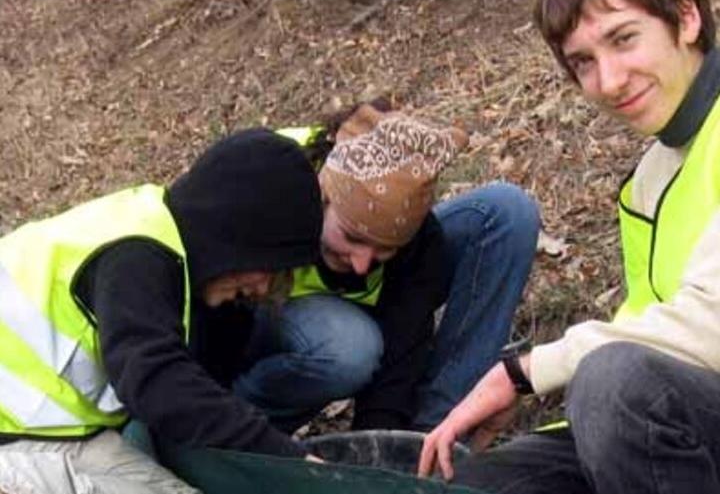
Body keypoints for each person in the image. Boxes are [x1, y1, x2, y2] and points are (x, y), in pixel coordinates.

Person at [418, 0, 720, 494]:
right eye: (583, 62)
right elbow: (649, 328)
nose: (609, 80)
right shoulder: (655, 173)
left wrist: (526, 369)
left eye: (623, 40)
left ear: (687, 18)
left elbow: (708, 327)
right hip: (694, 427)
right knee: (491, 491)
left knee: (611, 386)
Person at [0, 129, 324, 494]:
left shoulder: (157, 233)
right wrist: (284, 458)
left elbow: (187, 377)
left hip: (43, 430)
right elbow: (156, 382)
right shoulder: (138, 257)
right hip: (17, 430)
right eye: (273, 267)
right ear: (241, 237)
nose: (266, 288)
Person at [228, 104, 540, 433]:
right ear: (323, 196)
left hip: (357, 319)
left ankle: (438, 433)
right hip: (261, 326)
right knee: (349, 349)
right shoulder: (265, 187)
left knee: (506, 211)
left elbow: (402, 346)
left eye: (384, 249)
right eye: (351, 237)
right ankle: (246, 427)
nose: (362, 263)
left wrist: (379, 444)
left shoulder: (418, 243)